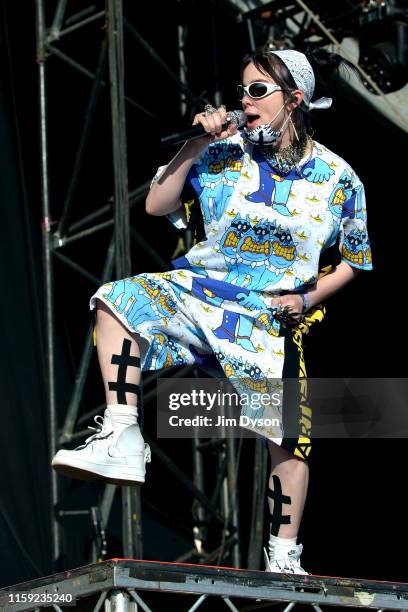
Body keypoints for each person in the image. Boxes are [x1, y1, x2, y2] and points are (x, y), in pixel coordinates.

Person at [52, 48, 373, 574]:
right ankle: (122, 432)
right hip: (202, 293)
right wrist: (196, 144)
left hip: (268, 316)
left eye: (257, 91)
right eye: (242, 89)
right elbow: (156, 206)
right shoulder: (222, 151)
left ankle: (284, 557)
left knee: (288, 436)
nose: (244, 102)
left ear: (294, 100)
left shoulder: (338, 177)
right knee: (116, 301)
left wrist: (306, 297)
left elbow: (355, 260)